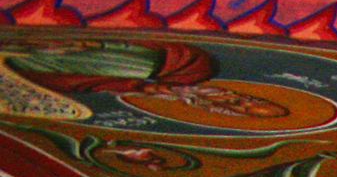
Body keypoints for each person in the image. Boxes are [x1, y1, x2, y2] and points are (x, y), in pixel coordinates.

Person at [1, 37, 286, 120]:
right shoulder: (197, 69)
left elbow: (96, 86)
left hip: (73, 70)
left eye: (242, 112)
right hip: (116, 59)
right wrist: (104, 47)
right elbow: (161, 51)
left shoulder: (167, 99)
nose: (238, 105)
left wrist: (142, 89)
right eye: (249, 103)